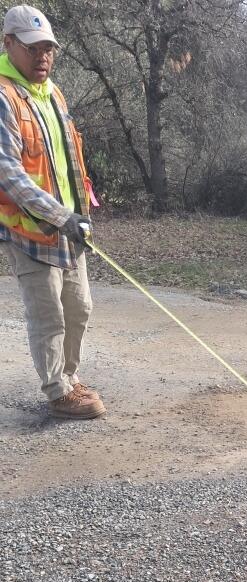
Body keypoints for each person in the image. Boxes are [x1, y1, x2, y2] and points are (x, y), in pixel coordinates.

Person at [0, 4, 105, 419]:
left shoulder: (53, 93)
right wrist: (61, 216)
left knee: (79, 308)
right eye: (32, 48)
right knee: (49, 315)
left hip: (69, 227)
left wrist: (80, 213)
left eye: (48, 48)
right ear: (9, 44)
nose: (42, 56)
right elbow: (8, 173)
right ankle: (58, 391)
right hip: (31, 229)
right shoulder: (4, 96)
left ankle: (70, 378)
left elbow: (67, 160)